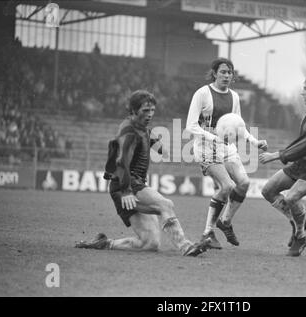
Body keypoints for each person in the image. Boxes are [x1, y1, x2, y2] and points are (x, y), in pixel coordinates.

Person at [76, 90, 211, 256]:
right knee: (165, 204)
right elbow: (121, 161)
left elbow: (153, 141)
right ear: (133, 110)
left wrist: (164, 149)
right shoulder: (128, 131)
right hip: (126, 185)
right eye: (145, 111)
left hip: (133, 184)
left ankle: (104, 243)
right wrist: (126, 191)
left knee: (149, 243)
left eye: (152, 110)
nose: (150, 114)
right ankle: (185, 246)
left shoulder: (142, 128)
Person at [186, 58, 268, 248]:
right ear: (214, 73)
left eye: (229, 72)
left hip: (226, 147)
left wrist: (255, 142)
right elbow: (191, 125)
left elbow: (238, 126)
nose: (226, 75)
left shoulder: (234, 97)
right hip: (206, 147)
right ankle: (207, 233)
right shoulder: (203, 94)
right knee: (227, 186)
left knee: (244, 183)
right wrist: (214, 138)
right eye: (223, 72)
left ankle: (225, 222)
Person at [260, 76, 306, 256]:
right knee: (268, 190)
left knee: (291, 198)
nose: (302, 93)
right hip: (301, 164)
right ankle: (297, 221)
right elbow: (302, 143)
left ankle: (300, 236)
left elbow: (305, 145)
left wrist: (275, 155)